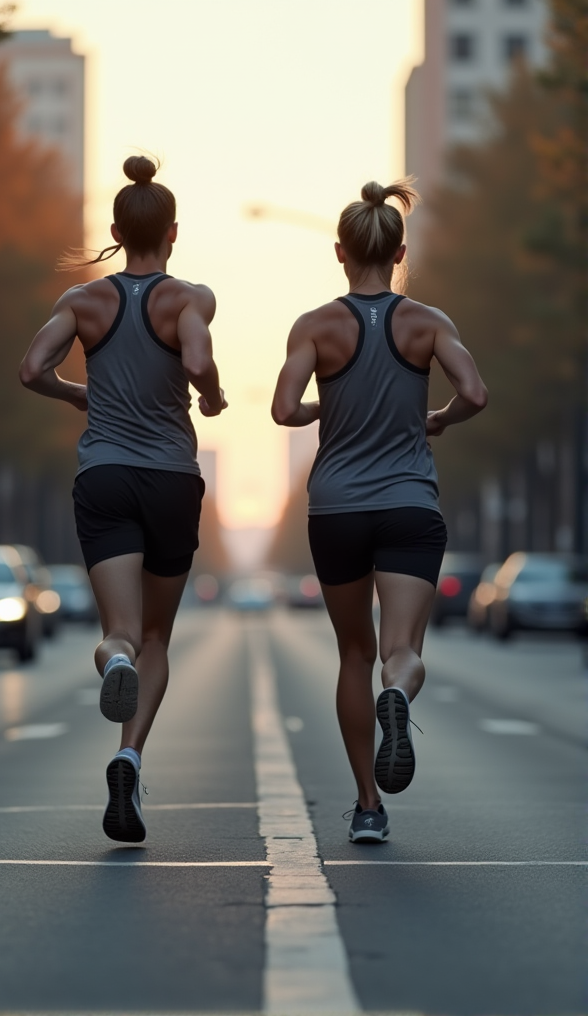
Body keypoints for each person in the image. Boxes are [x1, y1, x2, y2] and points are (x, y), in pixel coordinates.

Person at [271, 178, 487, 844]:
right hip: (408, 507)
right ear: (398, 255)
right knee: (401, 652)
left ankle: (368, 805)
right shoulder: (426, 323)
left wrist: (322, 407)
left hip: (336, 508)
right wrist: (439, 419)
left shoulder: (316, 326)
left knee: (352, 654)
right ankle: (401, 692)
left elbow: (282, 410)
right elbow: (475, 392)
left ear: (340, 252)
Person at [20, 156, 227, 843]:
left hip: (103, 475)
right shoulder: (189, 297)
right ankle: (130, 757)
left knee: (122, 633)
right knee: (160, 635)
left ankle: (112, 663)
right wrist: (211, 393)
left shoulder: (83, 303)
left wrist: (78, 392)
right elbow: (196, 361)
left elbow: (29, 369)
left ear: (115, 229)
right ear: (172, 233)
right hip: (170, 477)